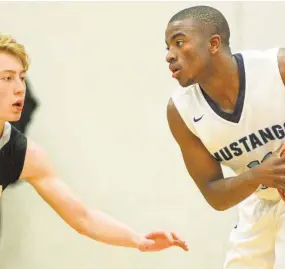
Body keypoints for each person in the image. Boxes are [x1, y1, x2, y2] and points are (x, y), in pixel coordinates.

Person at [165, 5, 285, 269]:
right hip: (257, 202)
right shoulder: (181, 111)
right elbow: (215, 195)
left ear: (213, 43)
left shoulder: (280, 68)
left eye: (179, 42)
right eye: (167, 47)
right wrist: (258, 176)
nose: (169, 55)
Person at [0, 33, 188, 253]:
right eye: (7, 78)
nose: (20, 88)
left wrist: (137, 240)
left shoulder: (24, 154)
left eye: (22, 77)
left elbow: (84, 217)